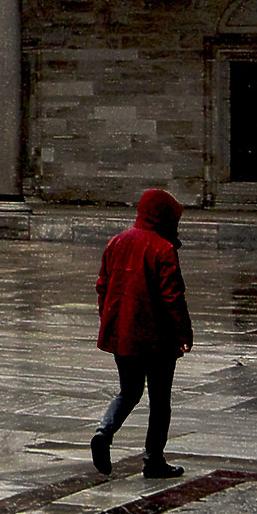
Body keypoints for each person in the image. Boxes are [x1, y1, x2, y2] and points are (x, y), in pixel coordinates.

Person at [90, 187, 192, 478]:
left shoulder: (117, 242)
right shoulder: (162, 248)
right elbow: (173, 297)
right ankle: (153, 459)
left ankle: (103, 432)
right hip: (158, 339)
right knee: (160, 402)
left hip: (124, 333)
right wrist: (184, 332)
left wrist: (110, 319)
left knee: (129, 391)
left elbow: (103, 286)